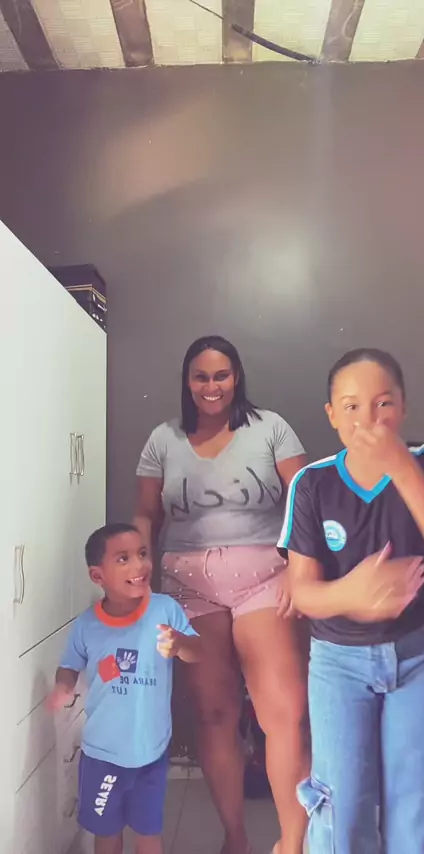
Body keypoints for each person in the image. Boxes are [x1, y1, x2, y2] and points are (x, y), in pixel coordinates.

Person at [278, 348, 424, 854]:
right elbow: (302, 591)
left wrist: (403, 470)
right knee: (341, 806)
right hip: (338, 664)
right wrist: (351, 594)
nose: (368, 419)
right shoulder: (313, 482)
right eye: (351, 406)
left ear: (404, 407)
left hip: (421, 657)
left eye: (383, 404)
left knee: (415, 805)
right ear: (332, 414)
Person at [134, 335, 309, 854]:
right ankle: (236, 839)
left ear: (237, 377)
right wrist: (138, 575)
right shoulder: (163, 439)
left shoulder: (270, 428)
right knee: (214, 715)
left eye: (221, 375)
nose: (212, 386)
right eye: (201, 377)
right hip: (190, 587)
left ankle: (293, 843)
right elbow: (146, 515)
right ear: (188, 382)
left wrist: (301, 570)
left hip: (265, 579)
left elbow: (307, 499)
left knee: (283, 714)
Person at [47, 522, 201, 854]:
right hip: (103, 755)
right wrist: (63, 686)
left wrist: (180, 644)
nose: (139, 565)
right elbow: (69, 664)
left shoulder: (165, 610)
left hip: (151, 753)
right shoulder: (87, 625)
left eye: (142, 554)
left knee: (149, 833)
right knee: (106, 834)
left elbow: (198, 651)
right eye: (123, 558)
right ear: (97, 576)